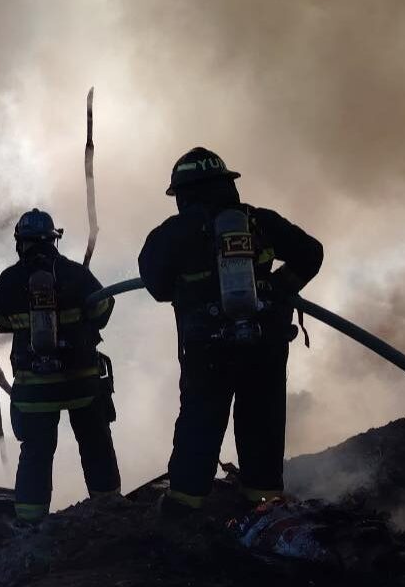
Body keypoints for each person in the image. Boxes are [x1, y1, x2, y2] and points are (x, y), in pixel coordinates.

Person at [138, 147, 323, 513]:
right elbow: (311, 253)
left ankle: (184, 504)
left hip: (207, 348)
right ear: (226, 184)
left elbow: (156, 286)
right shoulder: (260, 221)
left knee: (200, 420)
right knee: (262, 419)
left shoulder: (172, 233)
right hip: (264, 343)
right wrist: (278, 288)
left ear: (184, 194)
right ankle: (263, 502)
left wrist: (190, 290)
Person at [0, 208, 120, 523]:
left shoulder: (8, 281)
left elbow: (0, 322)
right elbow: (103, 310)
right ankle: (111, 513)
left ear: (20, 243)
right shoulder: (76, 274)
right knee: (96, 444)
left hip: (34, 391)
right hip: (82, 384)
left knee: (35, 454)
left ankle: (30, 524)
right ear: (53, 240)